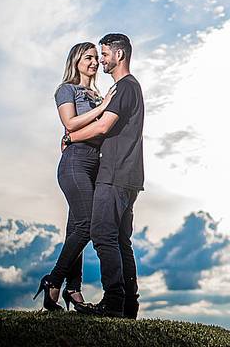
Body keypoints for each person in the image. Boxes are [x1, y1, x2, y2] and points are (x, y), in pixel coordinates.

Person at [66, 33, 145, 318]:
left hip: (115, 174)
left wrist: (71, 137)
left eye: (105, 54)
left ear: (119, 55)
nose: (101, 60)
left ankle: (113, 303)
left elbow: (103, 127)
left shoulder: (124, 87)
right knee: (121, 240)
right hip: (129, 177)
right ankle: (128, 305)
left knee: (101, 235)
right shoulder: (130, 87)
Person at [34, 42, 116, 311]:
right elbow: (69, 123)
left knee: (75, 229)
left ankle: (72, 289)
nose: (94, 62)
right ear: (76, 60)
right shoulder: (66, 90)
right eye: (89, 57)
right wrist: (103, 106)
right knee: (88, 224)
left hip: (95, 164)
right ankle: (54, 281)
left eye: (96, 58)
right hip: (74, 162)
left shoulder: (97, 93)